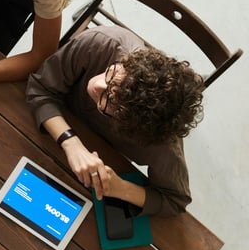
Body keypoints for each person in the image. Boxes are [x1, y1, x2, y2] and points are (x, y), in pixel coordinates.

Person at [25, 26, 205, 216]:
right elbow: (40, 88)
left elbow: (175, 201)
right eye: (112, 75)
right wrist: (71, 143)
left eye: (109, 100)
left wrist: (120, 188)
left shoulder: (162, 143)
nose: (97, 84)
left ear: (129, 124)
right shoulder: (102, 43)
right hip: (42, 129)